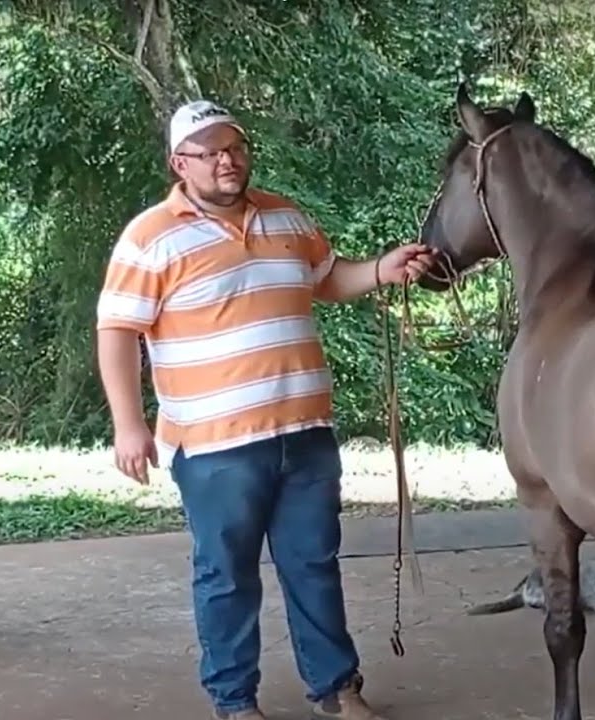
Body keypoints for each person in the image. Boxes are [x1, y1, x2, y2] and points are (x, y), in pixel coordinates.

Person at [94, 99, 435, 720]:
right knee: (226, 575)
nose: (227, 160)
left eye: (235, 147)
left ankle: (336, 689)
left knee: (314, 563)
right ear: (180, 163)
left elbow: (327, 280)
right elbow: (117, 330)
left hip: (304, 433)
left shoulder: (285, 216)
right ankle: (234, 701)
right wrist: (128, 423)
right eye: (210, 152)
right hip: (213, 445)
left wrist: (383, 270)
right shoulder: (150, 235)